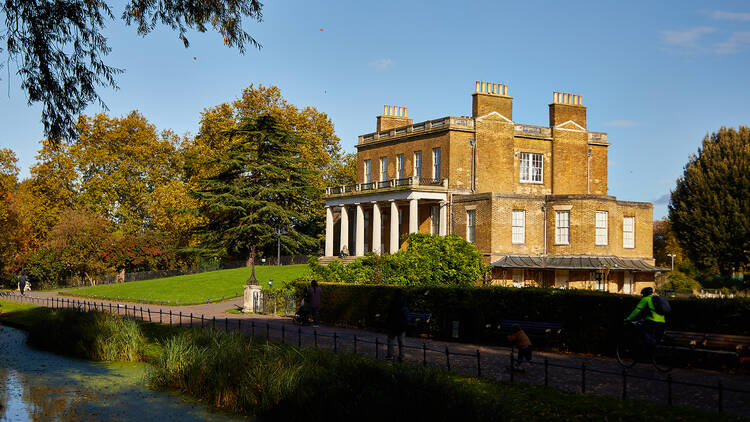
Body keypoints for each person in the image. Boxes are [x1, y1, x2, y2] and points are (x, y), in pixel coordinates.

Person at [625, 286, 666, 355]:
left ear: (644, 294)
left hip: (652, 321)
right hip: (662, 321)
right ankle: (651, 349)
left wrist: (628, 319)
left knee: (641, 330)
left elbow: (637, 310)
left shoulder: (645, 299)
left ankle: (646, 350)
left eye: (642, 294)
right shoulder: (656, 299)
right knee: (651, 334)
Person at [385, 290, 409, 362]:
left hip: (392, 325)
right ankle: (401, 356)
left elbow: (388, 315)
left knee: (390, 341)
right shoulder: (403, 305)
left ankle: (390, 355)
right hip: (401, 326)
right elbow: (407, 316)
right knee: (401, 342)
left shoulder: (392, 304)